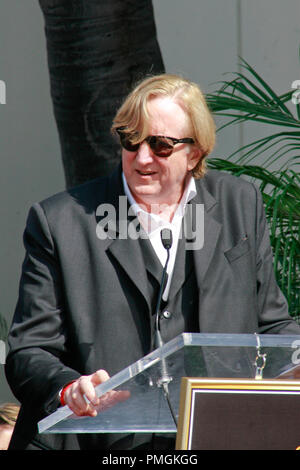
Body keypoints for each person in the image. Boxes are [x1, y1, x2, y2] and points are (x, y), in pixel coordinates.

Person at [5, 73, 300, 450]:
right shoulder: (60, 222)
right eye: (131, 140)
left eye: (161, 145)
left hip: (210, 438)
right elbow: (29, 350)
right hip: (97, 442)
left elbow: (270, 323)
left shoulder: (239, 204)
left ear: (195, 152)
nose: (142, 157)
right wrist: (68, 389)